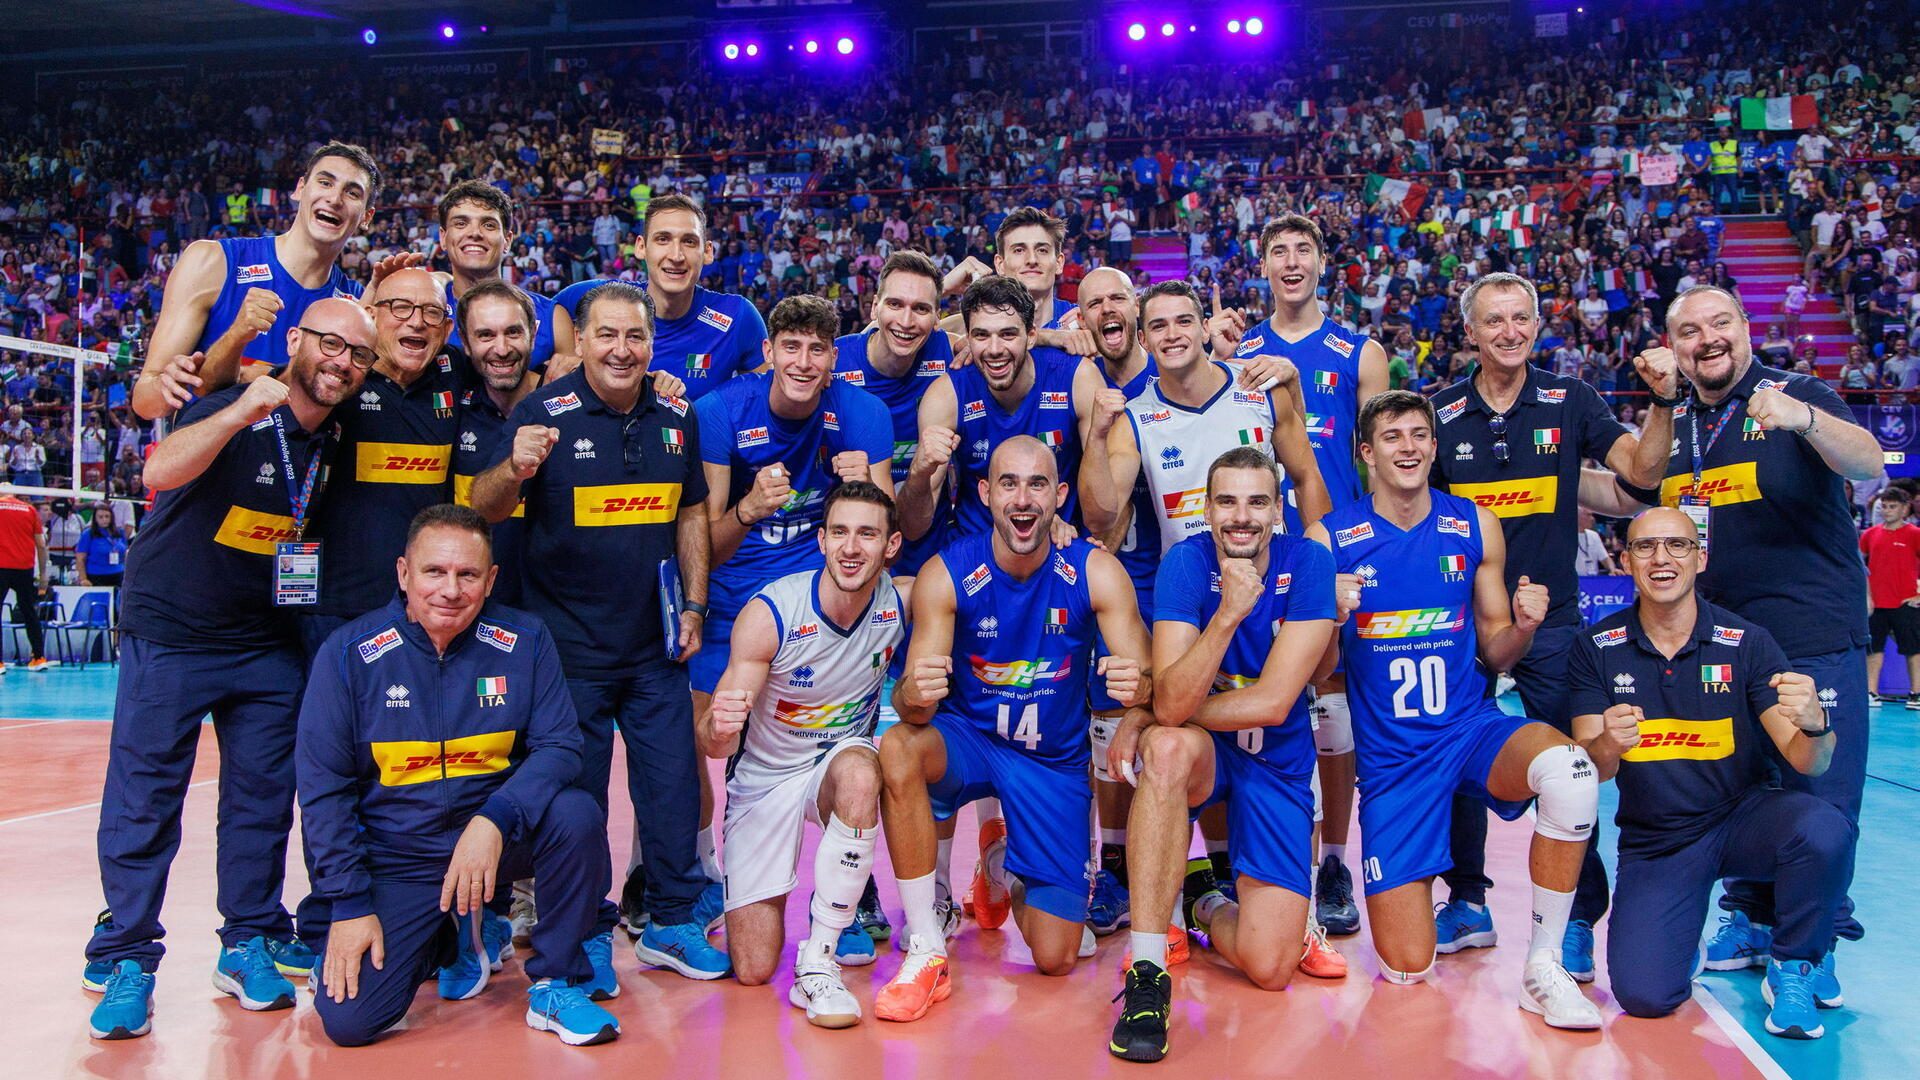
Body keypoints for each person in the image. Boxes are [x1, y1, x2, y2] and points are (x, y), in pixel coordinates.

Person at [84, 298, 376, 1040]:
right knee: (146, 796)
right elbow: (161, 466)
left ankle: (246, 938)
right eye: (329, 345)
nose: (340, 362)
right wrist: (237, 411)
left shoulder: (337, 436)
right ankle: (126, 956)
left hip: (264, 640)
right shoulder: (234, 403)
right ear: (298, 342)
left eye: (356, 355)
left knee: (261, 800)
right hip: (174, 632)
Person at [1596, 285, 1881, 989]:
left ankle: (1809, 951)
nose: (1707, 339)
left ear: (1745, 329)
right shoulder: (1682, 419)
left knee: (1820, 792)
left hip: (1811, 635)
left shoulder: (1796, 392)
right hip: (1724, 647)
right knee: (1745, 788)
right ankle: (1751, 916)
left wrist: (1804, 418)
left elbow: (1870, 461)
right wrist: (1661, 402)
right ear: (1675, 345)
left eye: (1720, 323)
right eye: (1689, 331)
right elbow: (1641, 484)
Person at [1314, 389, 1602, 1030]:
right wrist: (1330, 617)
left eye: (1420, 434)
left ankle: (1545, 966)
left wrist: (1523, 628)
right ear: (1365, 453)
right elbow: (1318, 672)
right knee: (1408, 965)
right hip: (1391, 767)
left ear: (1434, 447)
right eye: (1391, 437)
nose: (1409, 447)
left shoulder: (1473, 524)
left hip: (1469, 731)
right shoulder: (1329, 539)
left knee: (1572, 773)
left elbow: (1497, 653)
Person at [468, 281, 722, 986]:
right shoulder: (541, 411)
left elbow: (692, 514)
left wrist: (695, 604)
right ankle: (578, 933)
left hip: (655, 648)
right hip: (566, 656)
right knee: (574, 803)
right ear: (579, 342)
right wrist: (513, 465)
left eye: (635, 337)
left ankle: (671, 921)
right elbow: (484, 506)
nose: (622, 349)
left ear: (651, 343)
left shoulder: (676, 413)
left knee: (672, 790)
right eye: (606, 335)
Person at [1424, 271, 1674, 979]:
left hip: (1555, 621)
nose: (1508, 332)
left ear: (1537, 328)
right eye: (1493, 321)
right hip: (1461, 624)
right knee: (1451, 761)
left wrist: (1661, 400)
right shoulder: (1438, 414)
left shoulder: (1572, 399)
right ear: (1469, 333)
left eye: (1520, 320)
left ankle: (1575, 918)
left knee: (1579, 764)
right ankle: (1467, 902)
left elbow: (1640, 472)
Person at [299, 505, 620, 1047]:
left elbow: (561, 746)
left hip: (493, 845)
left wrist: (492, 821)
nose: (450, 589)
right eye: (434, 572)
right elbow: (324, 792)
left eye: (467, 574)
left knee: (575, 812)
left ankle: (557, 981)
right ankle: (446, 935)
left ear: (490, 579)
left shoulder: (525, 640)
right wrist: (351, 906)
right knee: (350, 1023)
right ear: (404, 573)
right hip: (399, 857)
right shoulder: (349, 655)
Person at [876, 436, 1151, 1021]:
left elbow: (1148, 679)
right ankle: (927, 944)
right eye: (1008, 483)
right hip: (969, 743)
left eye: (1037, 484)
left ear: (1060, 496)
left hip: (1050, 762)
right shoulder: (946, 573)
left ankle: (1004, 865)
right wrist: (911, 693)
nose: (1022, 499)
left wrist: (1139, 690)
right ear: (985, 493)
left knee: (1055, 957)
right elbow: (912, 707)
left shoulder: (1095, 571)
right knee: (899, 746)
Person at [1570, 507, 1852, 1040]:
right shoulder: (1596, 648)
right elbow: (1594, 771)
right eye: (1645, 547)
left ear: (1699, 557)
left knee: (1824, 829)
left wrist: (1816, 725)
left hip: (1744, 819)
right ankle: (1677, 933)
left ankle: (1793, 965)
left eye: (1676, 545)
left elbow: (1808, 761)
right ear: (1626, 560)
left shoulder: (1746, 641)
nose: (1661, 559)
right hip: (1659, 839)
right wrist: (1607, 741)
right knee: (1644, 996)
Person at [1104, 449, 1342, 1064]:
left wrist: (1158, 705)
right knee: (1167, 749)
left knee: (1270, 967)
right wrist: (1229, 616)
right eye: (1228, 501)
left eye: (1257, 501)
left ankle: (1204, 901)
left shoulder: (1309, 563)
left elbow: (1271, 702)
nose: (1242, 516)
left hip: (1275, 767)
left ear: (1278, 511)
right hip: (1208, 754)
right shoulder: (1185, 562)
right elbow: (1178, 708)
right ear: (1207, 510)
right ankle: (1148, 973)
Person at [686, 294, 893, 927]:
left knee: (843, 744)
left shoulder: (860, 411)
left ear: (835, 359)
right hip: (733, 603)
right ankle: (700, 871)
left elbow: (883, 535)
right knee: (704, 738)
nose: (804, 361)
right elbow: (705, 540)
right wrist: (748, 509)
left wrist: (863, 485)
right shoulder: (720, 411)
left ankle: (850, 888)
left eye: (819, 348)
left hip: (823, 604)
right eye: (792, 346)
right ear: (769, 351)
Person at [1215, 214, 1390, 934]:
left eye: (1303, 250)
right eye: (1278, 251)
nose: (1291, 262)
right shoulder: (1239, 349)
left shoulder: (1361, 349)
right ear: (1263, 265)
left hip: (1338, 540)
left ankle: (1336, 862)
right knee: (1262, 700)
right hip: (1259, 544)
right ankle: (1248, 857)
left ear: (1323, 262)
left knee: (1333, 703)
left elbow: (1381, 452)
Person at [698, 483, 905, 1028]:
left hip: (835, 769)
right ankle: (832, 898)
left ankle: (820, 954)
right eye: (839, 532)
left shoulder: (899, 603)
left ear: (892, 546)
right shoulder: (773, 613)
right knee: (753, 968)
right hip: (764, 780)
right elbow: (714, 744)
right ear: (820, 540)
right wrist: (718, 727)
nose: (851, 547)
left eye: (867, 534)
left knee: (863, 771)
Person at [132, 143, 381, 420]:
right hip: (212, 459)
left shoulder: (356, 306)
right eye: (325, 182)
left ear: (367, 217)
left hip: (300, 462)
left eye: (352, 192)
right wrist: (169, 384)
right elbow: (146, 403)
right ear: (300, 189)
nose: (335, 199)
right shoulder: (212, 261)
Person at [297, 268, 459, 657]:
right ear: (371, 313)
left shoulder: (456, 372)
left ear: (447, 327)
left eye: (431, 313)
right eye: (400, 307)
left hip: (425, 608)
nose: (416, 321)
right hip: (332, 607)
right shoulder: (337, 376)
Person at [1072, 266, 1158, 939]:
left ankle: (1209, 869)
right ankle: (1119, 864)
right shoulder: (1085, 384)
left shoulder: (1180, 366)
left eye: (1116, 298)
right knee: (1111, 714)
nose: (1107, 310)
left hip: (1186, 570)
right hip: (1115, 574)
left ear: (1138, 307)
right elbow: (1104, 515)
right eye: (1091, 302)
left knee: (1194, 718)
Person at [552, 194, 768, 401]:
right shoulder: (601, 298)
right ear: (641, 247)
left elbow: (763, 400)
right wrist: (569, 352)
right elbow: (547, 311)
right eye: (663, 239)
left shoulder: (737, 316)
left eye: (689, 242)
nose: (676, 256)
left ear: (707, 252)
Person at [436, 181, 557, 371]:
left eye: (489, 225)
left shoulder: (551, 317)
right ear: (443, 238)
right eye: (461, 223)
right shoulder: (422, 313)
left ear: (507, 241)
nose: (475, 233)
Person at [1859, 486, 1920, 707]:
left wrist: (1918, 595)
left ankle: (1916, 693)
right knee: (1873, 649)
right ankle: (1871, 693)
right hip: (1876, 604)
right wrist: (1867, 597)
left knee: (1913, 650)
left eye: (1892, 506)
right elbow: (1861, 568)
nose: (1887, 511)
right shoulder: (1869, 534)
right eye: (1884, 506)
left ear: (1905, 508)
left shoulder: (1915, 534)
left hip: (1905, 602)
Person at [0, 482, 52, 673]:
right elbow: (40, 544)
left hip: (1, 566)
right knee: (30, 612)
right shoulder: (29, 510)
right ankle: (39, 658)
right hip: (24, 567)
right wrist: (43, 574)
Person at [75, 502, 129, 590]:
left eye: (107, 516)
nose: (104, 519)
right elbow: (80, 559)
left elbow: (125, 554)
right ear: (95, 519)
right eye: (100, 517)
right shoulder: (88, 534)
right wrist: (83, 579)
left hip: (119, 574)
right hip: (96, 576)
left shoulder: (120, 532)